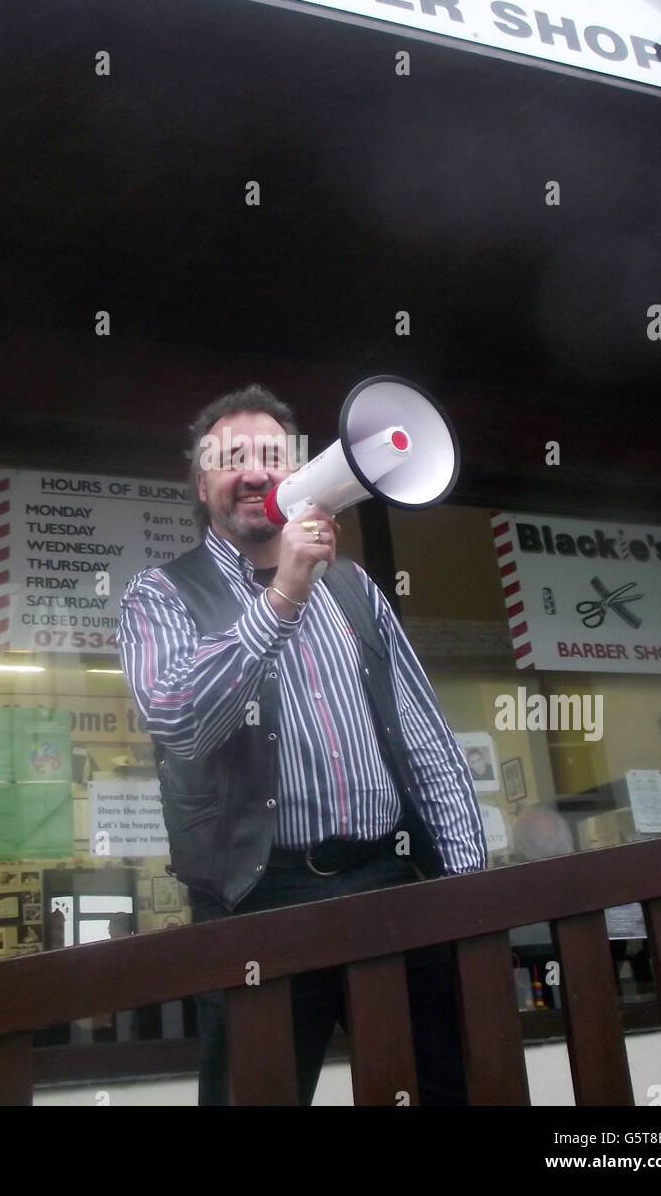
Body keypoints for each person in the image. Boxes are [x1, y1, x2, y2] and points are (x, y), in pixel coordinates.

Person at [120, 384, 486, 1106]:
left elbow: (424, 740)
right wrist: (282, 595)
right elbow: (178, 720)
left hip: (390, 879)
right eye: (230, 459)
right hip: (259, 898)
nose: (253, 472)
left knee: (439, 1089)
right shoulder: (158, 594)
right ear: (202, 485)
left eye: (271, 456)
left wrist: (469, 888)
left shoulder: (353, 587)